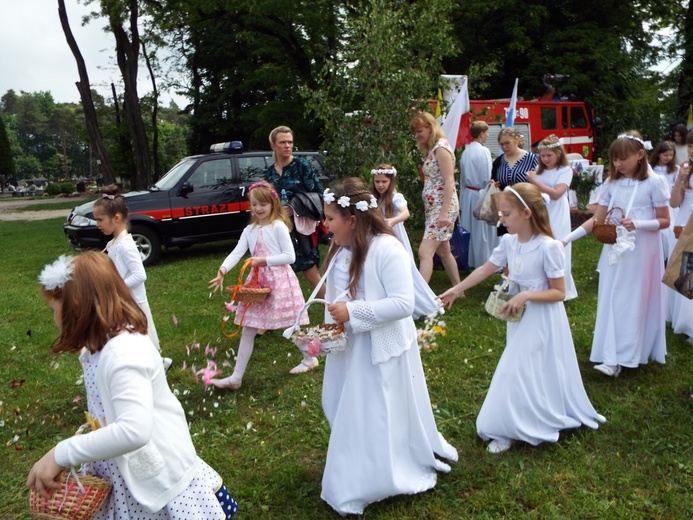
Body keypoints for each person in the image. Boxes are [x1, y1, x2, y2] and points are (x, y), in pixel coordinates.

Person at [28, 252, 238, 519]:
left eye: (54, 308)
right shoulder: (97, 348)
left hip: (155, 480)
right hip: (124, 473)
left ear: (77, 305)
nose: (53, 317)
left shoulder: (123, 353)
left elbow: (134, 430)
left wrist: (60, 453)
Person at [319, 178, 457, 515]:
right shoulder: (341, 250)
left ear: (352, 220)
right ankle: (356, 458)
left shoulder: (387, 248)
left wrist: (352, 311)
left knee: (372, 410)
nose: (325, 225)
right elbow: (335, 297)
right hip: (349, 344)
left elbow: (402, 304)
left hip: (380, 346)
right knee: (338, 401)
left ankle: (369, 476)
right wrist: (325, 332)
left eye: (330, 218)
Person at [440, 183, 605, 454]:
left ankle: (510, 428)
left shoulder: (548, 247)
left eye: (506, 214)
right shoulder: (509, 243)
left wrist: (525, 295)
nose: (501, 220)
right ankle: (523, 417)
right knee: (525, 369)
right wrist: (457, 289)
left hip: (542, 319)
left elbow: (559, 292)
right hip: (519, 320)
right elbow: (486, 269)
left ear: (527, 213)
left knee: (516, 369)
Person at [563, 134, 670, 377]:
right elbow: (596, 219)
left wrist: (639, 223)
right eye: (615, 159)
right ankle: (610, 354)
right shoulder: (612, 184)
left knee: (633, 300)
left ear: (640, 155)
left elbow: (665, 221)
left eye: (623, 159)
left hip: (642, 250)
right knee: (612, 298)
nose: (618, 164)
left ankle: (631, 352)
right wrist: (566, 239)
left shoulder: (654, 182)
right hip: (615, 250)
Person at [208, 182, 313, 383]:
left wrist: (264, 261)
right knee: (248, 327)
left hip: (281, 282)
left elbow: (290, 257)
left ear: (273, 204)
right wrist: (223, 269)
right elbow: (238, 252)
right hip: (258, 283)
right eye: (254, 204)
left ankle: (309, 358)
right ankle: (236, 377)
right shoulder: (250, 230)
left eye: (263, 204)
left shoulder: (278, 227)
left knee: (293, 324)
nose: (258, 209)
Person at [92, 185, 166, 366]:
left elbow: (140, 275)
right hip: (123, 301)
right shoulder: (113, 243)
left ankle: (158, 365)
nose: (97, 224)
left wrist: (116, 288)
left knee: (143, 340)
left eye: (100, 219)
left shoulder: (126, 245)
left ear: (116, 218)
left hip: (134, 302)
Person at [369, 164, 443, 318]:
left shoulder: (396, 197)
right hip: (377, 236)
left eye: (384, 181)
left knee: (404, 270)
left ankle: (420, 303)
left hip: (395, 237)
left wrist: (393, 220)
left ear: (391, 182)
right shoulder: (373, 198)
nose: (380, 185)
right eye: (377, 182)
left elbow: (405, 213)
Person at [264, 125, 325, 299]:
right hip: (279, 229)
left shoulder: (301, 166)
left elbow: (319, 194)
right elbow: (266, 199)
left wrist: (294, 207)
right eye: (282, 142)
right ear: (273, 146)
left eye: (290, 142)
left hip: (301, 229)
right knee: (279, 275)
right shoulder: (269, 174)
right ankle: (279, 316)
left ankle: (333, 311)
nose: (287, 146)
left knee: (311, 274)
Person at [409, 111, 460, 286]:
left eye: (419, 131)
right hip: (434, 207)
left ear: (430, 128)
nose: (417, 135)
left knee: (425, 252)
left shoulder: (441, 148)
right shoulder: (433, 149)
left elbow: (449, 181)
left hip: (442, 207)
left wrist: (444, 213)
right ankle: (459, 289)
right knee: (444, 251)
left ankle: (421, 296)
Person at [526, 134, 578, 300]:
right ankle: (540, 284)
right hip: (541, 210)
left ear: (558, 154)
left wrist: (535, 182)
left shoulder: (564, 171)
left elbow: (557, 193)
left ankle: (562, 287)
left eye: (549, 155)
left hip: (556, 211)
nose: (546, 159)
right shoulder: (539, 171)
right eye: (543, 156)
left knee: (556, 243)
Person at [459, 121, 499, 268]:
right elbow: (486, 176)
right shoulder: (483, 151)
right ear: (481, 133)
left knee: (470, 228)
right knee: (482, 230)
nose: (488, 135)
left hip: (469, 193)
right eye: (487, 132)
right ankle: (483, 260)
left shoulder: (466, 151)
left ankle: (469, 259)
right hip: (480, 193)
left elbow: (462, 177)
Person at [667, 138, 693, 341]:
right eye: (690, 146)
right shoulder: (685, 169)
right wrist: (679, 180)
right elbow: (674, 203)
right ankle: (684, 319)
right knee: (684, 268)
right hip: (684, 219)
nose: (691, 150)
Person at [492, 127, 539, 236]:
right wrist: (493, 185)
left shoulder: (532, 159)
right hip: (506, 208)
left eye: (507, 143)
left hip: (526, 205)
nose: (504, 147)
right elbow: (494, 180)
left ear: (516, 140)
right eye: (501, 144)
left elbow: (540, 181)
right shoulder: (499, 161)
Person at [649, 140, 680, 261]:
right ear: (658, 154)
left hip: (670, 202)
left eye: (671, 155)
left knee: (670, 230)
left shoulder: (675, 169)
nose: (668, 158)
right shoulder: (652, 169)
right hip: (656, 202)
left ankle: (669, 255)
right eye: (665, 155)